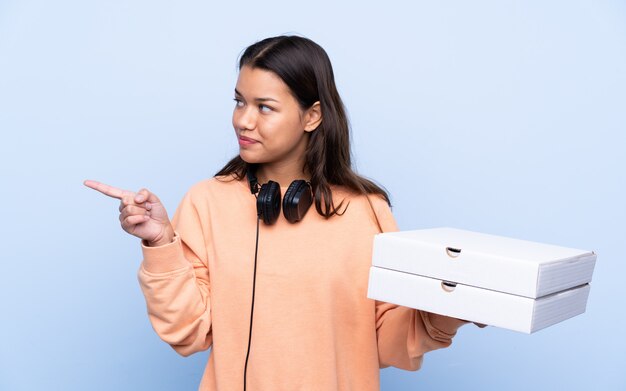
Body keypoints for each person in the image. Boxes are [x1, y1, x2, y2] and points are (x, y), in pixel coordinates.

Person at [84, 35, 470, 391]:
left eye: (264, 107)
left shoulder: (366, 210)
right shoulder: (207, 202)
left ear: (312, 116)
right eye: (239, 101)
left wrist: (450, 309)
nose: (243, 120)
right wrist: (160, 242)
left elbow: (387, 342)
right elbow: (188, 332)